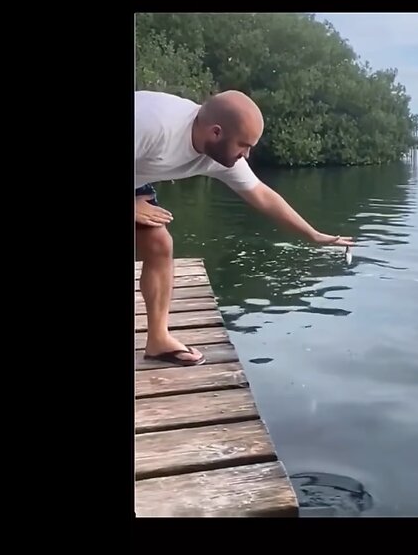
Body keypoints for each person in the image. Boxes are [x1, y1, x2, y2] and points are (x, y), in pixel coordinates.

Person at [135, 89, 354, 366]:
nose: (247, 155)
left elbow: (262, 196)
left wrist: (313, 234)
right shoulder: (152, 123)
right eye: (244, 145)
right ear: (216, 132)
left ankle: (158, 340)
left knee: (159, 244)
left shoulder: (220, 154)